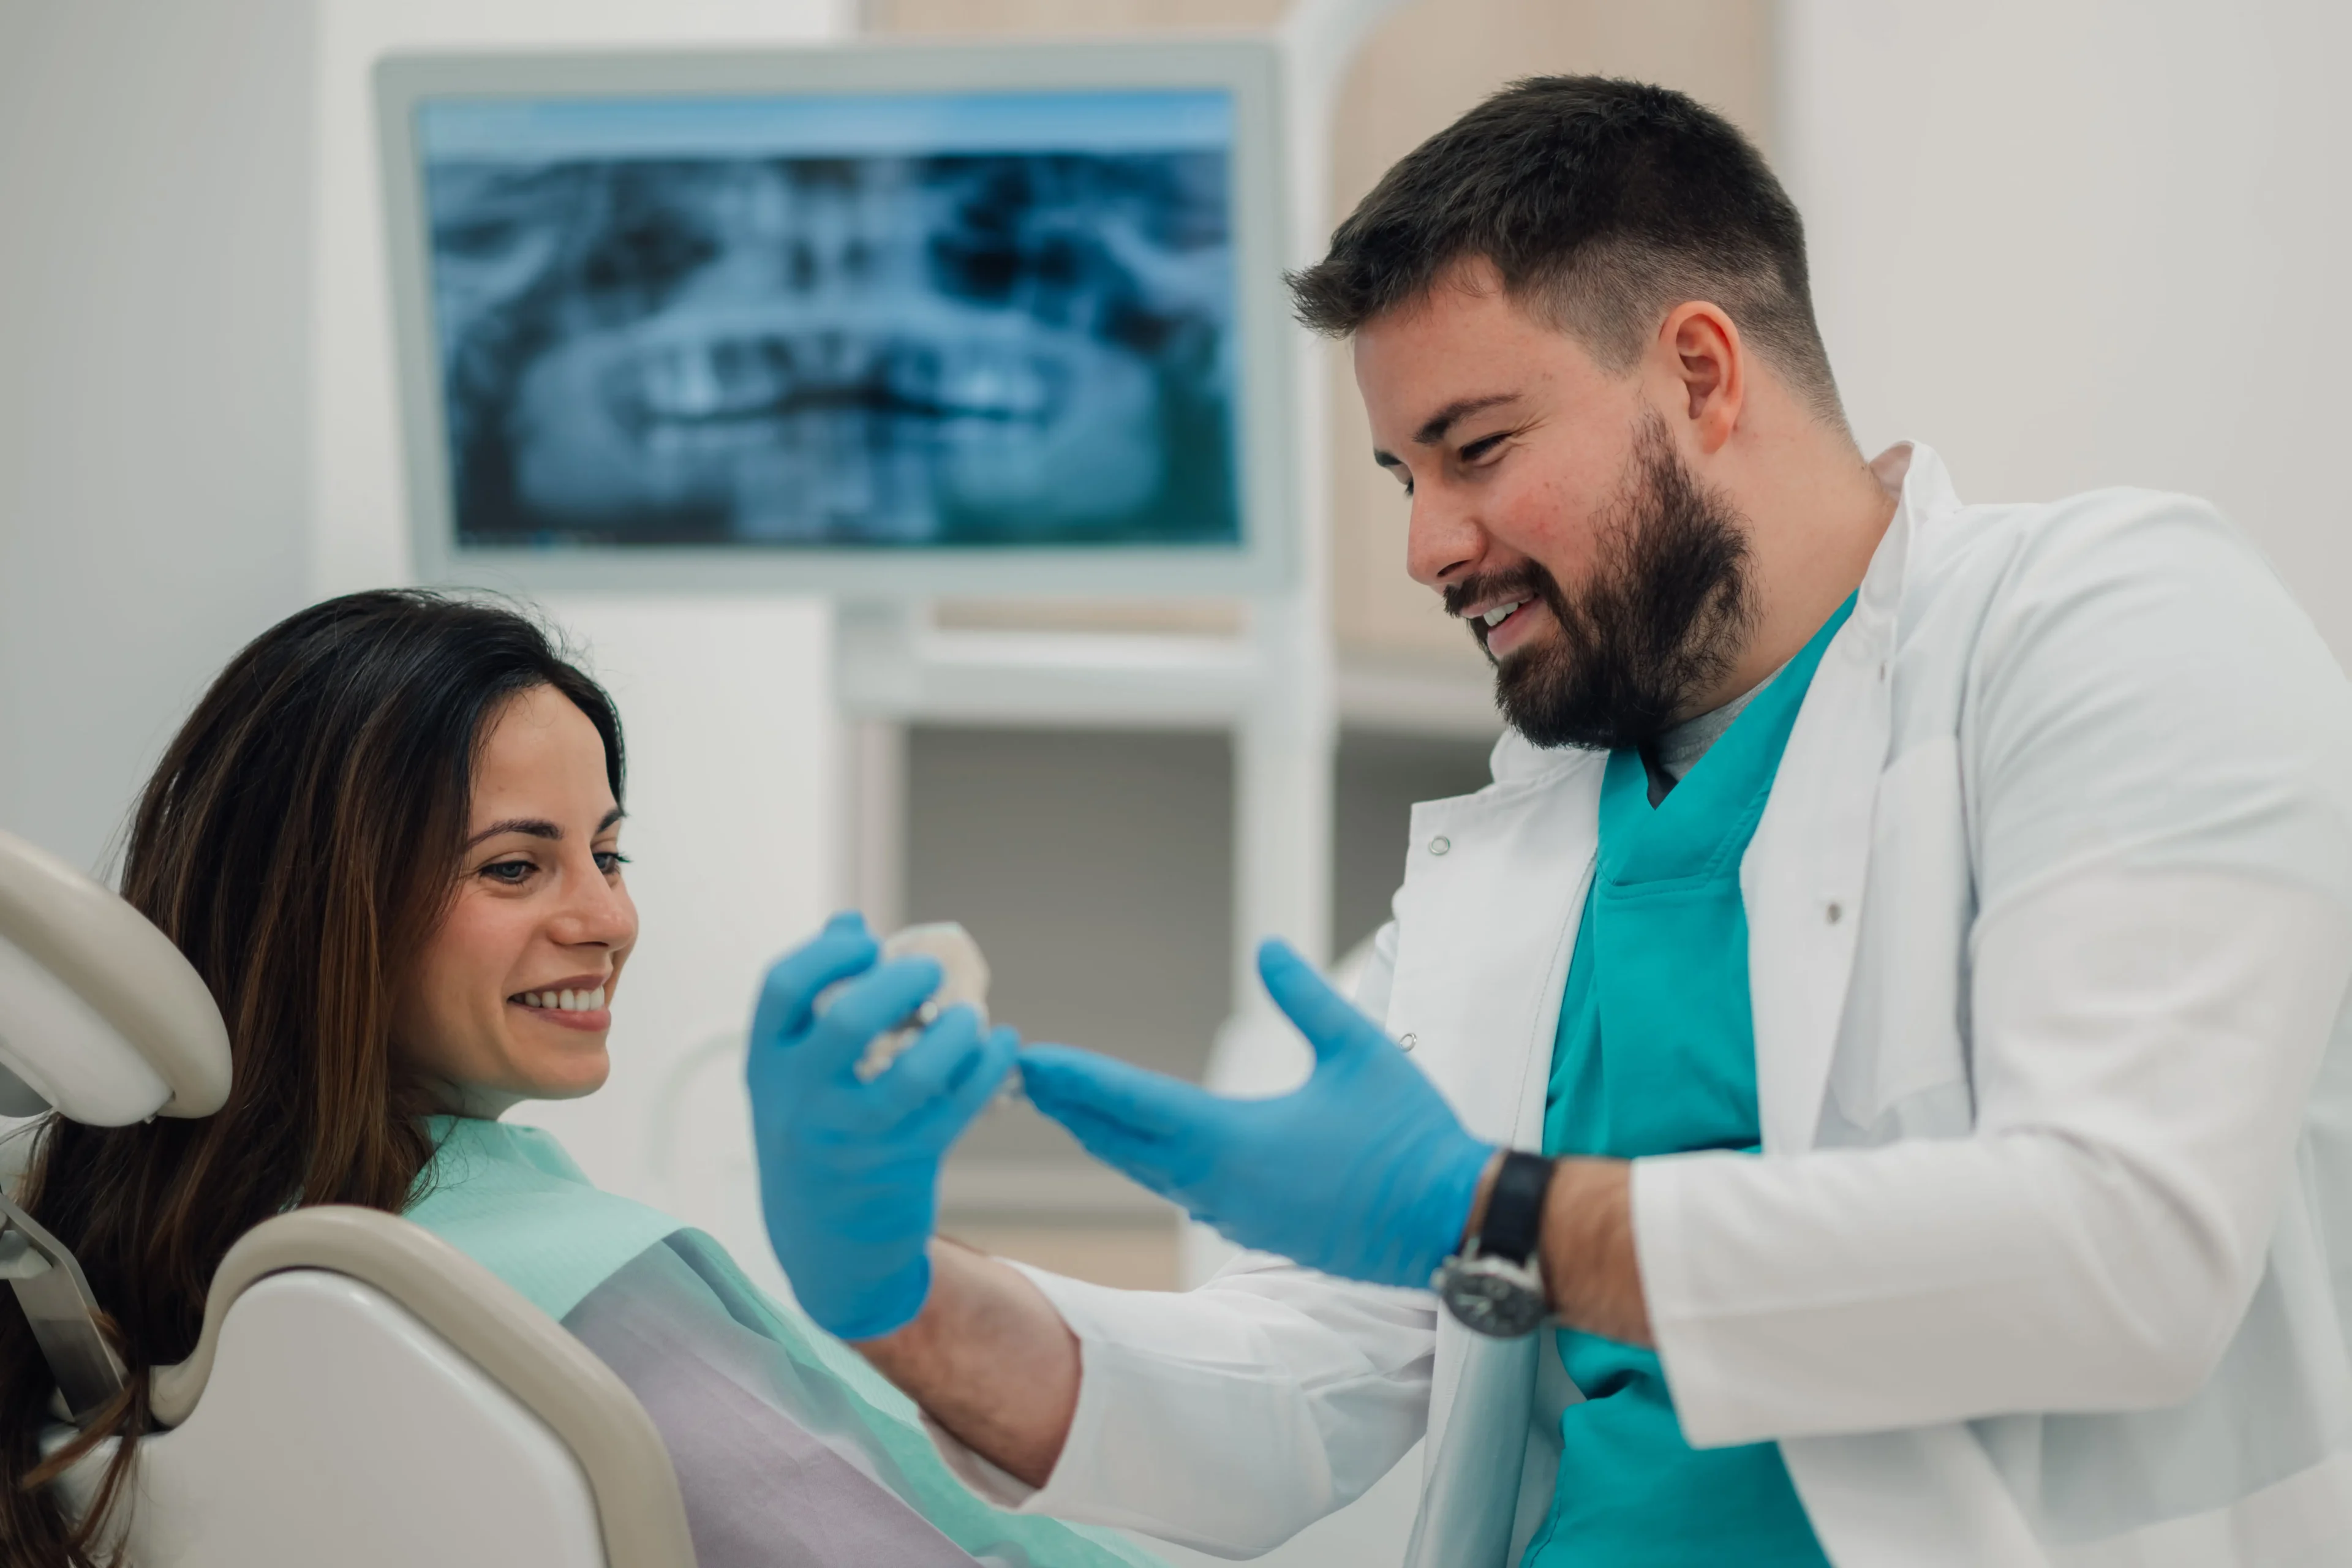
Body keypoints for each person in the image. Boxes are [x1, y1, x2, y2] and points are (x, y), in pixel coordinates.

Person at [747, 76, 2352, 1567]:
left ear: (1702, 374)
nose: (1430, 545)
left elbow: (2128, 1256)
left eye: (1479, 449)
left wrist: (1497, 1211)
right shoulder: (1534, 843)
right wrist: (903, 1302)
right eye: (1401, 476)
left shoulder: (2109, 626)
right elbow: (1337, 1368)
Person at [0, 589, 1163, 1568]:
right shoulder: (549, 1295)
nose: (608, 917)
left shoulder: (91, 1248)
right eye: (516, 867)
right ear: (314, 910)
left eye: (609, 854)